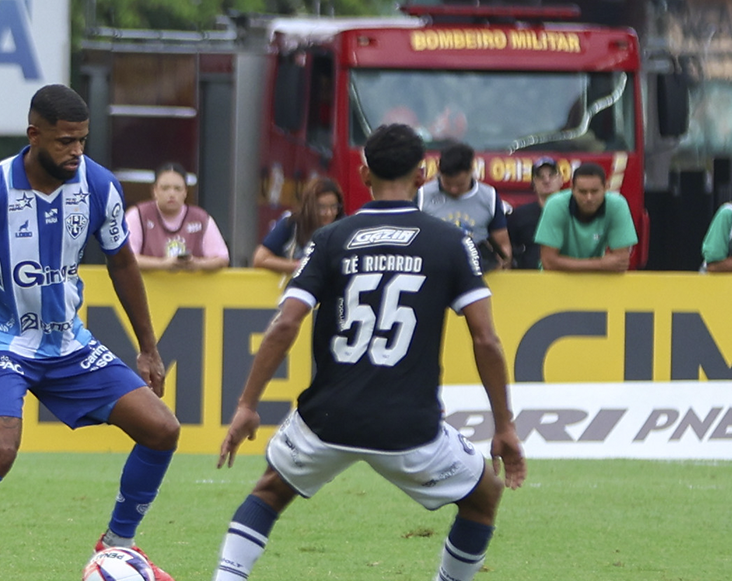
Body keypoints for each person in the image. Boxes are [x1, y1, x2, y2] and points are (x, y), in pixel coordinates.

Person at [0, 84, 179, 581]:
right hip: (0, 338)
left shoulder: (99, 186)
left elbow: (123, 264)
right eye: (65, 141)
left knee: (162, 429)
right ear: (35, 135)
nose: (76, 152)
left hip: (67, 342)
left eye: (83, 140)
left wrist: (148, 348)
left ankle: (115, 547)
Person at [213, 123, 526, 581]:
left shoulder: (330, 238)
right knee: (484, 497)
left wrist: (246, 406)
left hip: (326, 418)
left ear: (362, 174)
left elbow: (285, 324)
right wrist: (504, 425)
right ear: (423, 175)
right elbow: (486, 339)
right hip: (409, 427)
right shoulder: (449, 241)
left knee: (269, 491)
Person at [416, 142, 511, 271]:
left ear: (471, 170)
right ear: (438, 169)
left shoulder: (489, 197)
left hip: (478, 270)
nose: (454, 190)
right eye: (448, 184)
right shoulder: (422, 195)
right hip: (434, 268)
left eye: (460, 184)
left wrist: (503, 266)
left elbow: (503, 245)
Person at [125, 163, 229, 272]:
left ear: (185, 192)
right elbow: (126, 258)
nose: (171, 194)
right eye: (165, 188)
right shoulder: (138, 215)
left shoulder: (201, 218)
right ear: (154, 191)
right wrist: (161, 264)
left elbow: (222, 259)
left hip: (191, 287)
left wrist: (197, 264)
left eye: (178, 189)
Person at [535, 162, 637, 272]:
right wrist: (601, 264)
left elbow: (621, 262)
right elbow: (548, 262)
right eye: (583, 192)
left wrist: (565, 263)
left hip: (595, 280)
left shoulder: (617, 205)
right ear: (572, 189)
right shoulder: (555, 204)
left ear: (606, 187)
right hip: (556, 280)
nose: (589, 198)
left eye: (594, 191)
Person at [252, 177, 343, 274]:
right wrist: (300, 266)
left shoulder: (344, 226)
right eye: (322, 207)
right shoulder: (291, 224)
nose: (329, 213)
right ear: (310, 206)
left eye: (334, 207)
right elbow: (259, 259)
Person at [507, 157, 564, 270]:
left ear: (561, 179)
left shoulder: (573, 211)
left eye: (551, 175)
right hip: (529, 279)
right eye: (540, 176)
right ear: (533, 183)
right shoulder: (519, 215)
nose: (546, 180)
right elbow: (507, 249)